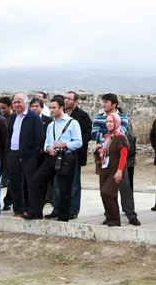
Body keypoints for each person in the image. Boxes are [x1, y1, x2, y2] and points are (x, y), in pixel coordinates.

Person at [25, 96, 83, 221]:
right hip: (51, 158)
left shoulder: (72, 123)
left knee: (64, 188)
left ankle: (63, 216)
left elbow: (79, 142)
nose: (51, 110)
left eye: (54, 108)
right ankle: (35, 212)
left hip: (66, 157)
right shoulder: (51, 125)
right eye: (50, 107)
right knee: (36, 181)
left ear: (61, 108)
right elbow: (46, 142)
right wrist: (48, 148)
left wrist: (63, 145)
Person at [91, 93, 139, 225]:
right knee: (106, 189)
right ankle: (110, 215)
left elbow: (120, 133)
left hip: (118, 161)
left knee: (124, 186)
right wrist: (108, 137)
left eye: (106, 102)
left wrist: (107, 137)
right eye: (103, 102)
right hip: (105, 161)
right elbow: (94, 134)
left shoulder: (122, 118)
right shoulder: (98, 117)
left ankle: (130, 214)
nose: (104, 104)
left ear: (114, 104)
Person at [8, 93, 45, 218]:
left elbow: (39, 137)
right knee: (14, 183)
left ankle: (31, 209)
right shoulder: (13, 117)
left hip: (28, 156)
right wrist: (9, 151)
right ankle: (18, 209)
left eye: (19, 102)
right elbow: (9, 135)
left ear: (25, 103)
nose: (16, 104)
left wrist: (33, 153)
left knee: (31, 183)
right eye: (14, 102)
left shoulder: (33, 117)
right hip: (13, 154)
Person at [60, 91, 94, 220]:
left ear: (76, 101)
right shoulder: (61, 115)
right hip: (61, 153)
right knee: (59, 183)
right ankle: (58, 208)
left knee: (74, 183)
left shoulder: (82, 116)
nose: (66, 100)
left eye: (69, 98)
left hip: (75, 153)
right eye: (65, 98)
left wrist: (77, 144)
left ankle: (73, 210)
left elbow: (88, 132)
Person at [96, 113, 130, 226]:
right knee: (108, 194)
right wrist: (100, 149)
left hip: (115, 171)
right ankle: (111, 217)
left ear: (117, 123)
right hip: (105, 170)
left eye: (111, 121)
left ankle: (114, 219)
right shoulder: (108, 137)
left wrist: (119, 171)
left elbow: (123, 156)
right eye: (107, 121)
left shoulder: (120, 137)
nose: (108, 124)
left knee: (107, 192)